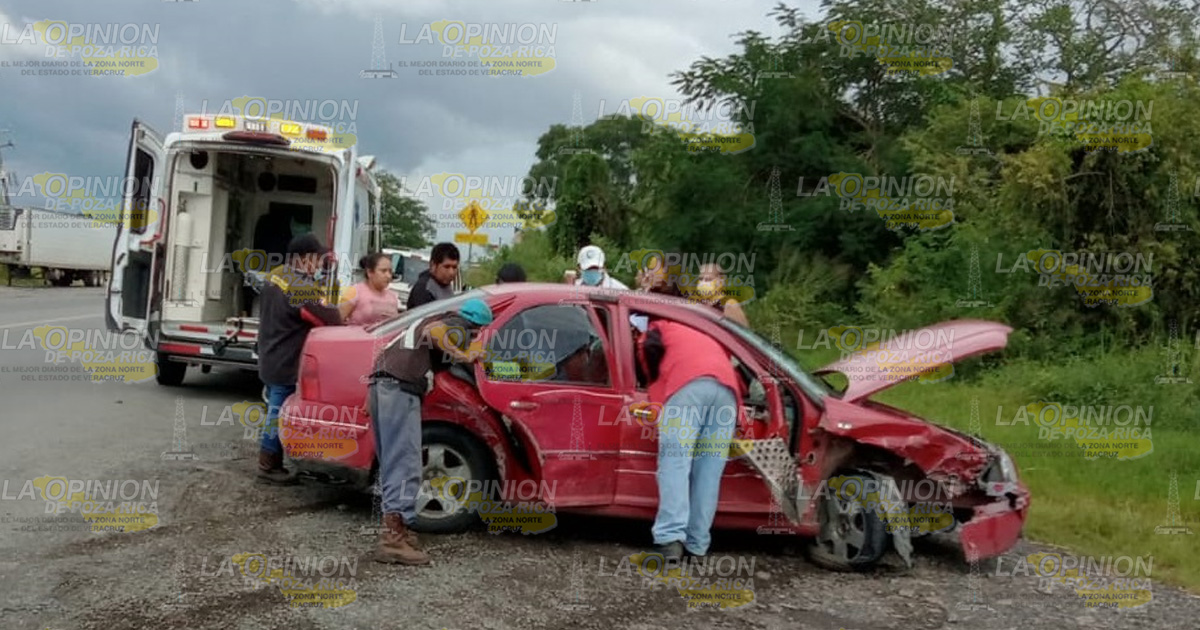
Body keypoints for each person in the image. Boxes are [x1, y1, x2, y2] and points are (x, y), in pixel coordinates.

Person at [365, 297, 494, 565]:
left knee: (393, 462)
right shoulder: (458, 325)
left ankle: (400, 529)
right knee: (406, 463)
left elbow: (392, 352)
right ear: (477, 326)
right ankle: (393, 540)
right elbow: (434, 332)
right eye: (478, 333)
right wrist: (464, 355)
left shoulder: (427, 320)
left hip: (382, 385)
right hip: (400, 388)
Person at [635, 265, 743, 561]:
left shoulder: (657, 328)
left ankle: (670, 539)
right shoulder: (696, 326)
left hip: (689, 388)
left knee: (675, 462)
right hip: (726, 392)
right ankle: (697, 545)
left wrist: (655, 401)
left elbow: (649, 369)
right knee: (709, 470)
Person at [256, 234, 343, 484]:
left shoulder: (275, 275)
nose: (320, 264)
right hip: (287, 359)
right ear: (305, 259)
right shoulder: (301, 287)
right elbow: (332, 318)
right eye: (318, 258)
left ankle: (273, 460)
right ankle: (267, 464)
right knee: (278, 412)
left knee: (274, 408)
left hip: (269, 352)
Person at [340, 252, 401, 327]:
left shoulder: (392, 297)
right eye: (383, 271)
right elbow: (337, 322)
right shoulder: (355, 292)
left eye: (390, 272)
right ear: (370, 272)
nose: (388, 276)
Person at [406, 243, 460, 310]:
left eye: (454, 267)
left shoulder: (445, 285)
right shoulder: (425, 289)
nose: (451, 272)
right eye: (446, 267)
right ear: (433, 265)